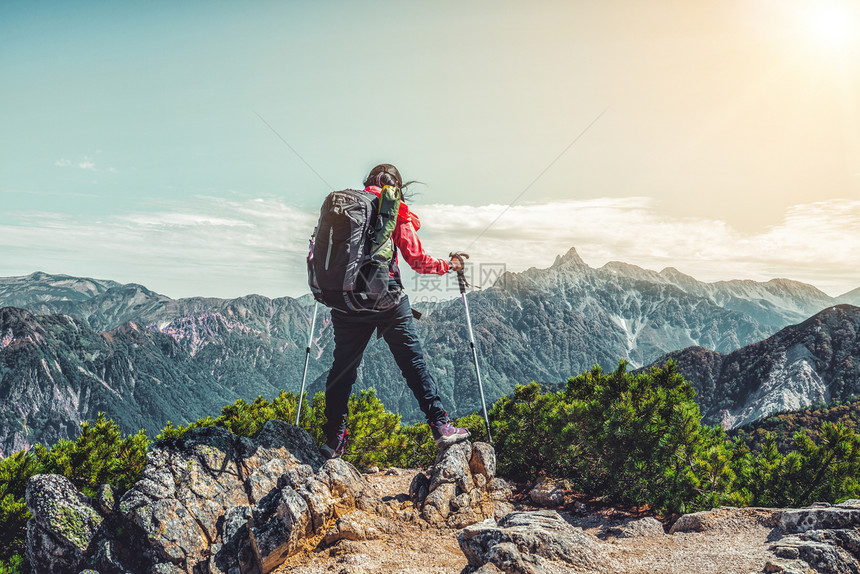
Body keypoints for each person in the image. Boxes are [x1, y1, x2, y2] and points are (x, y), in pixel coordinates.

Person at [320, 163, 470, 459]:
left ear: (367, 182)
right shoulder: (393, 207)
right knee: (413, 363)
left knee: (342, 370)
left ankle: (334, 438)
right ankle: (440, 425)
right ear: (396, 185)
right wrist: (449, 265)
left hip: (344, 299)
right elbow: (416, 259)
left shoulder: (343, 207)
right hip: (385, 298)